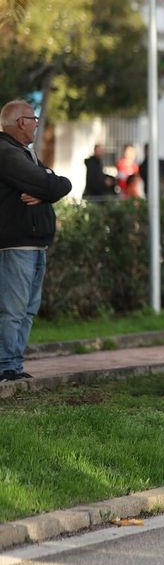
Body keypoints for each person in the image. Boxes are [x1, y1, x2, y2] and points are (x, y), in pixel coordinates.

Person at [0, 101, 72, 383]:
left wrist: (45, 188)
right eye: (34, 118)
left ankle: (14, 366)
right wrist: (46, 185)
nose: (37, 123)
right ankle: (6, 367)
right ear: (20, 122)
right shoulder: (6, 153)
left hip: (33, 245)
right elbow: (49, 183)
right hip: (17, 245)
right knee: (13, 310)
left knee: (27, 310)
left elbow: (59, 183)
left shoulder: (22, 153)